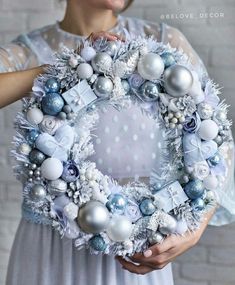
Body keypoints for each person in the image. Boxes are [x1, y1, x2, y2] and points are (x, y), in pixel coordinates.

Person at [0, 0, 235, 284]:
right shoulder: (29, 50)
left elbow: (217, 142)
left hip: (140, 242)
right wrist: (63, 69)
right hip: (50, 249)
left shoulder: (161, 41)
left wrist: (194, 230)